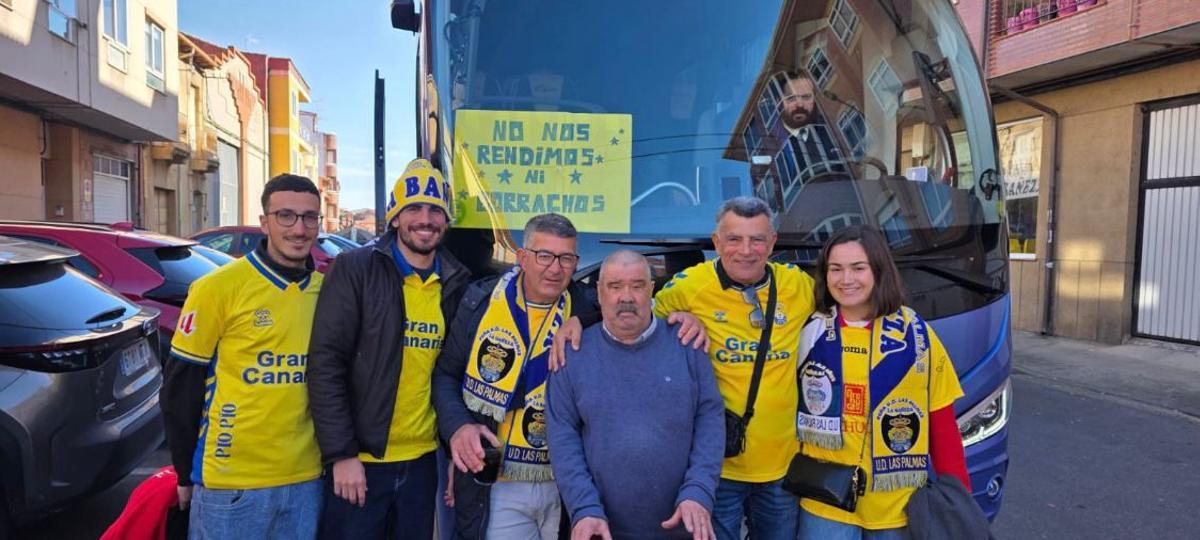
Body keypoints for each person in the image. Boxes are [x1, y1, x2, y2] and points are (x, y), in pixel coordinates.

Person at [552, 196, 816, 540]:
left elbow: (848, 302)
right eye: (734, 239)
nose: (746, 250)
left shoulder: (799, 285)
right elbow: (632, 309)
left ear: (773, 243)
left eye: (758, 239)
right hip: (719, 472)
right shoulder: (688, 288)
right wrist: (579, 319)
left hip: (781, 468)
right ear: (717, 242)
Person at [307, 158, 472, 539]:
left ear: (445, 221)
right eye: (413, 207)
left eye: (435, 210)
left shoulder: (455, 282)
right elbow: (325, 363)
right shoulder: (355, 268)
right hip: (361, 463)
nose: (425, 219)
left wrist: (450, 450)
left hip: (421, 462)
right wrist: (342, 454)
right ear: (394, 217)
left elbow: (453, 375)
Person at [161, 174, 325, 539]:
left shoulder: (325, 292)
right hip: (230, 485)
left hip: (307, 481)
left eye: (310, 217)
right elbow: (179, 389)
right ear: (264, 222)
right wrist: (184, 472)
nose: (299, 228)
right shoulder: (216, 288)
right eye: (286, 216)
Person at [794, 225, 970, 538]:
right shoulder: (808, 332)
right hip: (824, 502)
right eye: (835, 269)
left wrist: (959, 501)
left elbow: (941, 424)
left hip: (898, 506)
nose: (846, 279)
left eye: (858, 268)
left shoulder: (918, 336)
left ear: (879, 271)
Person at [432, 213, 601, 540]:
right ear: (522, 257)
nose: (556, 268)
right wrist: (458, 429)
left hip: (562, 483)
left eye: (566, 258)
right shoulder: (478, 303)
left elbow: (636, 315)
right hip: (497, 483)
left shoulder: (587, 312)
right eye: (544, 256)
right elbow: (445, 375)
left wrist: (584, 318)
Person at [547, 250, 725, 540]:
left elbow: (710, 419)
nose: (626, 297)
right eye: (615, 287)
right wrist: (584, 508)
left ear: (651, 290)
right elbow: (562, 437)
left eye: (637, 285)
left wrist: (699, 491)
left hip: (683, 525)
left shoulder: (687, 344)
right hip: (602, 529)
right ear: (599, 293)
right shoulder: (571, 354)